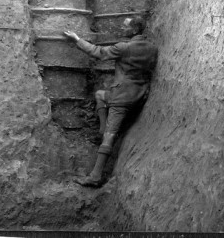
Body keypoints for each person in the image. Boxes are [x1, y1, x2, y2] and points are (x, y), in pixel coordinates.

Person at [64, 16, 158, 187]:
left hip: (122, 98)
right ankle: (102, 127)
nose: (122, 29)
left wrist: (77, 39)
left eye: (125, 26)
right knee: (100, 94)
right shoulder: (152, 48)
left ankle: (95, 176)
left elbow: (98, 52)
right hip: (140, 94)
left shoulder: (124, 48)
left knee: (109, 136)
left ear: (135, 30)